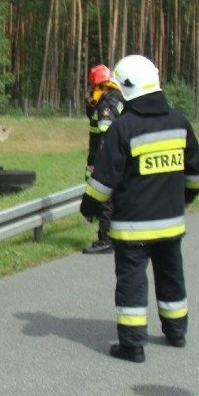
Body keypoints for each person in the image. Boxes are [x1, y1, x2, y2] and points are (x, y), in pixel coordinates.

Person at [80, 54, 199, 363]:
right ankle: (176, 332)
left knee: (132, 282)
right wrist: (185, 199)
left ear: (126, 88)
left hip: (132, 225)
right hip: (171, 222)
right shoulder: (179, 121)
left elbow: (103, 179)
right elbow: (198, 172)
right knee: (172, 276)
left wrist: (90, 207)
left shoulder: (124, 127)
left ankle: (132, 346)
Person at [82, 64, 124, 254]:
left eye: (93, 86)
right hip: (111, 157)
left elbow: (105, 135)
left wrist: (100, 164)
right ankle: (114, 236)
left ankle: (105, 240)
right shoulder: (115, 99)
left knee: (105, 197)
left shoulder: (106, 104)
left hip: (105, 158)